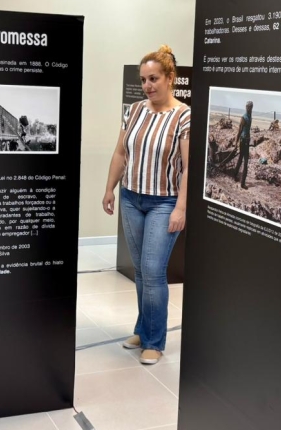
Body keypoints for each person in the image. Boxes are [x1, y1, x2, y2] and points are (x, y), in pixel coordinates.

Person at [102, 45, 190, 365]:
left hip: (163, 202)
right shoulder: (135, 110)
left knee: (153, 271)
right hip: (131, 198)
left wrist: (181, 207)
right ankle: (143, 327)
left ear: (170, 78)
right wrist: (110, 189)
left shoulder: (184, 116)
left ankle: (154, 341)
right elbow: (121, 154)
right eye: (143, 80)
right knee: (140, 270)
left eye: (154, 78)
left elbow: (189, 167)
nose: (148, 86)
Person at [233, 101, 253, 189]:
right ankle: (242, 183)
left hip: (246, 141)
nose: (249, 108)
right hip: (243, 141)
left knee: (242, 160)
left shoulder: (250, 117)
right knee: (244, 162)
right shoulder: (244, 117)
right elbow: (239, 131)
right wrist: (236, 143)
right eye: (248, 107)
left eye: (251, 107)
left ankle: (235, 175)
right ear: (246, 107)